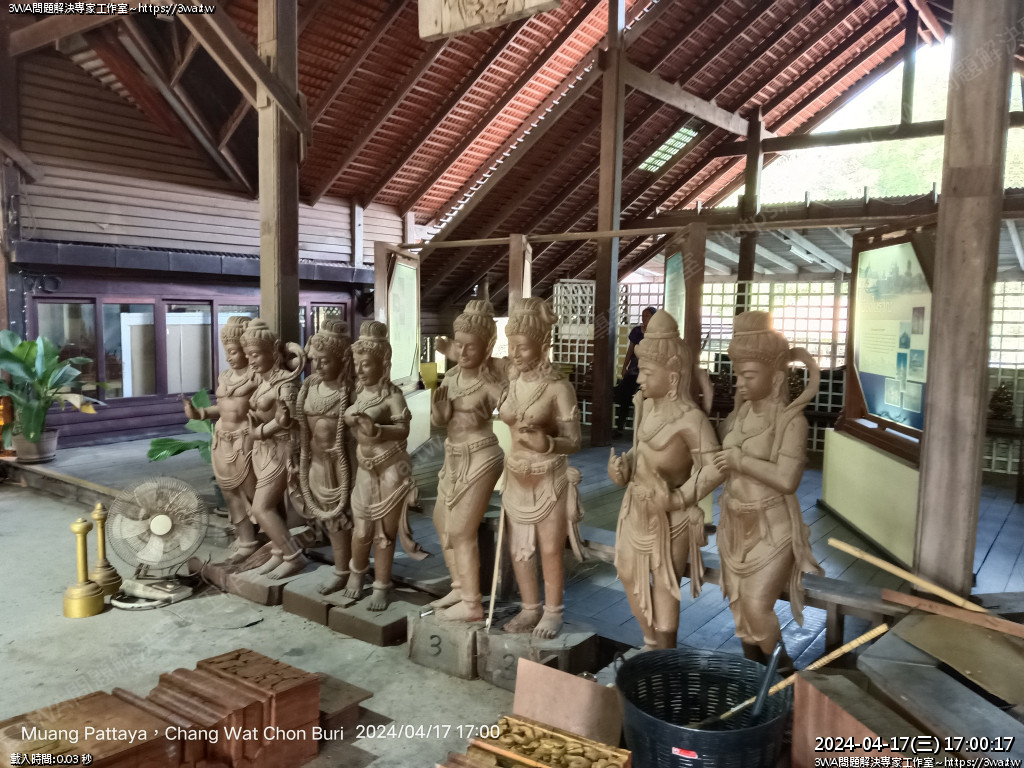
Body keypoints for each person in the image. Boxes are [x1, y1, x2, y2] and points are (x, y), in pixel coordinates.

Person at [713, 311, 823, 667]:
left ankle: (783, 676)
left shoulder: (792, 422)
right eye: (738, 375)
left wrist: (740, 461)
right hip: (734, 526)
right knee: (740, 613)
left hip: (772, 528)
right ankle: (755, 678)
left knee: (757, 608)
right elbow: (716, 465)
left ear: (775, 378)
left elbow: (787, 479)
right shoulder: (738, 417)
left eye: (749, 376)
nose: (740, 383)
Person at [608, 310, 723, 650]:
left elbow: (713, 468)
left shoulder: (691, 419)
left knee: (665, 582)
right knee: (627, 572)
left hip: (671, 516)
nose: (639, 379)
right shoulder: (647, 408)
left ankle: (663, 649)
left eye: (646, 372)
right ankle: (650, 641)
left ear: (672, 376)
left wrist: (679, 498)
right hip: (636, 506)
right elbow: (640, 450)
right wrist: (625, 467)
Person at [498, 297, 584, 639]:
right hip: (516, 475)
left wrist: (547, 444)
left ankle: (553, 611)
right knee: (519, 549)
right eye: (511, 346)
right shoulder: (512, 382)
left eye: (522, 347)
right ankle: (530, 607)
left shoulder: (558, 388)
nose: (515, 354)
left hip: (548, 477)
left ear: (543, 344)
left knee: (549, 549)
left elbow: (574, 440)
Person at [430, 300, 507, 622]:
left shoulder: (493, 378)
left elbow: (513, 410)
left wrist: (492, 381)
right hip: (453, 455)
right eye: (458, 345)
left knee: (462, 530)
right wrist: (440, 413)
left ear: (487, 347)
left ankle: (473, 604)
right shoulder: (451, 377)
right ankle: (459, 587)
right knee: (440, 521)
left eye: (470, 347)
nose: (462, 352)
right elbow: (438, 421)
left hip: (482, 454)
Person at [343, 320, 427, 610]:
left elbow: (403, 430)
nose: (360, 370)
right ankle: (356, 573)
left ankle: (381, 584)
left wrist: (377, 430)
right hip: (366, 468)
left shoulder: (393, 396)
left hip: (391, 467)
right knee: (361, 530)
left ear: (383, 364)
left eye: (366, 364)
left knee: (383, 534)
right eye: (357, 364)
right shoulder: (359, 393)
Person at [283, 319, 356, 595]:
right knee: (330, 521)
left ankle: (349, 570)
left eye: (326, 361)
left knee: (346, 519)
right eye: (315, 360)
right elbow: (299, 424)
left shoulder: (350, 390)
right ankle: (343, 568)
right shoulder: (310, 385)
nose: (319, 366)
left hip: (342, 465)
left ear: (342, 360)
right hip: (314, 462)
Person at [185, 316, 258, 563]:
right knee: (229, 493)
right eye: (226, 352)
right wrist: (200, 413)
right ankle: (246, 540)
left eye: (234, 351)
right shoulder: (224, 376)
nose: (229, 357)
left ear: (246, 350)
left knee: (253, 493)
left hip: (245, 440)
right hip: (221, 441)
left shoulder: (256, 376)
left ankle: (269, 536)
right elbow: (223, 408)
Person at [241, 318, 309, 579]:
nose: (251, 361)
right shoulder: (265, 382)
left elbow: (289, 419)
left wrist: (258, 431)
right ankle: (279, 552)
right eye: (249, 355)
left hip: (282, 449)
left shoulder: (287, 383)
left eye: (256, 354)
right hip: (264, 450)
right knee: (274, 506)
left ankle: (294, 556)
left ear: (274, 351)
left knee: (261, 508)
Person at [614, 307, 657, 438]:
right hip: (634, 371)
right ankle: (619, 427)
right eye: (643, 316)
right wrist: (624, 366)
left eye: (647, 316)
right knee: (625, 397)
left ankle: (646, 430)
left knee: (648, 401)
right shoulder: (637, 331)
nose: (644, 318)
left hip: (649, 373)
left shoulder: (657, 333)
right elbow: (630, 350)